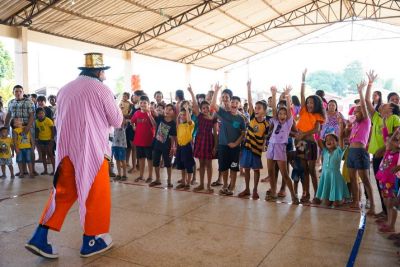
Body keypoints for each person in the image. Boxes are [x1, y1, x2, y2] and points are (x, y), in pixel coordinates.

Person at [25, 53, 123, 259]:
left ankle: (39, 236)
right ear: (98, 72)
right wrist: (119, 106)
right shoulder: (102, 90)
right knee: (96, 196)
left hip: (67, 152)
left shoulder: (64, 89)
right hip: (93, 152)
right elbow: (116, 121)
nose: (104, 75)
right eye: (103, 72)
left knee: (61, 194)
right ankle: (91, 240)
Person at [365, 70, 400, 219]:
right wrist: (369, 85)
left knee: (390, 188)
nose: (394, 101)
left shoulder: (396, 119)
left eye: (397, 99)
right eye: (391, 100)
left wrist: (382, 151)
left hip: (388, 157)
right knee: (382, 185)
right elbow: (367, 102)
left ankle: (389, 217)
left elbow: (392, 141)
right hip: (380, 156)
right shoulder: (379, 118)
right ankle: (385, 213)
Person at [295, 69, 326, 203]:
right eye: (308, 103)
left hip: (311, 144)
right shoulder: (303, 111)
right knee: (304, 169)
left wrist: (303, 134)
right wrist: (303, 80)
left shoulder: (318, 115)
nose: (309, 104)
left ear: (317, 104)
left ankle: (317, 195)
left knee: (312, 170)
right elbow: (302, 94)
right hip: (301, 144)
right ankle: (306, 194)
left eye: (312, 103)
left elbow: (317, 129)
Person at [265, 86, 299, 204]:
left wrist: (288, 95)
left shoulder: (289, 123)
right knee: (271, 171)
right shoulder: (275, 120)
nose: (282, 115)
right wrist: (273, 94)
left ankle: (294, 196)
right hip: (271, 147)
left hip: (281, 148)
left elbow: (289, 111)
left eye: (284, 114)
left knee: (285, 174)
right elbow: (274, 108)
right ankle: (274, 193)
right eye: (280, 114)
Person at [211, 84, 246, 196]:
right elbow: (212, 105)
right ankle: (225, 185)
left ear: (239, 105)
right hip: (222, 145)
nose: (234, 104)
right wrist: (216, 91)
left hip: (235, 148)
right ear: (229, 103)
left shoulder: (241, 119)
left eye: (236, 103)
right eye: (232, 102)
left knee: (234, 168)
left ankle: (232, 186)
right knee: (224, 167)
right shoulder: (223, 113)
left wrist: (236, 143)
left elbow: (244, 133)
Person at [347, 80, 375, 215]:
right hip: (351, 151)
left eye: (358, 111)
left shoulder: (366, 121)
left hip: (360, 151)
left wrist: (360, 92)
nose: (356, 113)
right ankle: (356, 201)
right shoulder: (355, 125)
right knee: (353, 178)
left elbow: (364, 106)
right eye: (355, 111)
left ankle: (373, 206)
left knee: (365, 179)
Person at [238, 81, 268, 199]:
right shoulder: (252, 118)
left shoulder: (266, 124)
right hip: (247, 148)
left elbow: (265, 137)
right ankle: (247, 189)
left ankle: (255, 190)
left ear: (264, 111)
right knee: (246, 169)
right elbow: (250, 102)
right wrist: (249, 88)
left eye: (259, 108)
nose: (256, 109)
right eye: (255, 108)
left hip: (256, 151)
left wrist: (263, 146)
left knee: (256, 170)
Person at [188, 86, 217, 193]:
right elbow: (195, 105)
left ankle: (208, 185)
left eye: (207, 107)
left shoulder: (213, 119)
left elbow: (215, 133)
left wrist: (215, 146)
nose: (205, 109)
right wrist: (191, 92)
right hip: (200, 141)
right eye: (203, 108)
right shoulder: (199, 116)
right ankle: (201, 184)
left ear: (210, 108)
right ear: (201, 109)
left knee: (209, 164)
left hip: (209, 141)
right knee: (202, 164)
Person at [315, 119, 350, 207]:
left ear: (337, 142)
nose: (328, 141)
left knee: (336, 204)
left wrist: (341, 125)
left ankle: (340, 199)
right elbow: (318, 140)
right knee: (326, 204)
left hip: (336, 177)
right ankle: (329, 198)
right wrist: (318, 126)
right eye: (327, 140)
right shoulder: (325, 151)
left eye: (331, 139)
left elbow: (341, 138)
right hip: (326, 176)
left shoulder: (339, 150)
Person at [5, 85, 37, 176]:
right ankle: (22, 170)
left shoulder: (29, 102)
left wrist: (28, 127)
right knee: (18, 148)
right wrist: (6, 127)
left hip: (28, 128)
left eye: (20, 91)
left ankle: (32, 170)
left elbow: (32, 115)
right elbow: (8, 115)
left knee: (30, 148)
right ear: (13, 92)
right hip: (15, 129)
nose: (18, 93)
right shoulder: (11, 102)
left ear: (22, 92)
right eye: (16, 91)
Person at [376, 128, 400, 232]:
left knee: (391, 204)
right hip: (383, 181)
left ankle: (391, 225)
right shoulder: (388, 152)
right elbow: (388, 141)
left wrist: (396, 132)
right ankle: (388, 222)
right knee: (386, 202)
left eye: (390, 140)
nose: (387, 142)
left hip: (390, 182)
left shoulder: (398, 154)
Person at [149, 103, 177, 188]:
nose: (167, 111)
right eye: (166, 109)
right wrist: (151, 109)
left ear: (173, 112)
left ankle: (169, 180)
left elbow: (173, 137)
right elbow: (155, 113)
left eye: (170, 109)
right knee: (156, 162)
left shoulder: (173, 123)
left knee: (168, 163)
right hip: (157, 144)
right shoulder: (160, 118)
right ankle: (157, 179)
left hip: (166, 146)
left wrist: (173, 147)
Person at [131, 95, 155, 183]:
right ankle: (141, 176)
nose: (143, 104)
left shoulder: (151, 113)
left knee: (149, 159)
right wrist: (133, 126)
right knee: (140, 159)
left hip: (148, 140)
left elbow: (155, 125)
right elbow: (132, 121)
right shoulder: (136, 113)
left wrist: (149, 115)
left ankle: (150, 176)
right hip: (138, 140)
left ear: (148, 104)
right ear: (139, 103)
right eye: (141, 102)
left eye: (145, 103)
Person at [175, 105, 195, 190]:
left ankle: (188, 183)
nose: (183, 116)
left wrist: (187, 110)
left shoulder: (190, 124)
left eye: (185, 114)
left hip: (187, 147)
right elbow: (177, 122)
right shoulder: (180, 125)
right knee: (182, 165)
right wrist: (179, 115)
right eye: (182, 115)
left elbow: (189, 120)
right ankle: (183, 181)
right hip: (180, 147)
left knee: (188, 165)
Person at [35, 107, 55, 175]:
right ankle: (45, 170)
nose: (41, 115)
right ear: (37, 114)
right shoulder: (36, 121)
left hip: (49, 140)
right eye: (39, 113)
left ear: (44, 113)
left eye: (42, 113)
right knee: (43, 155)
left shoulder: (48, 120)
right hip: (41, 140)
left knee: (50, 154)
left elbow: (53, 130)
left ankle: (54, 170)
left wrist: (52, 139)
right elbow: (37, 130)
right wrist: (36, 138)